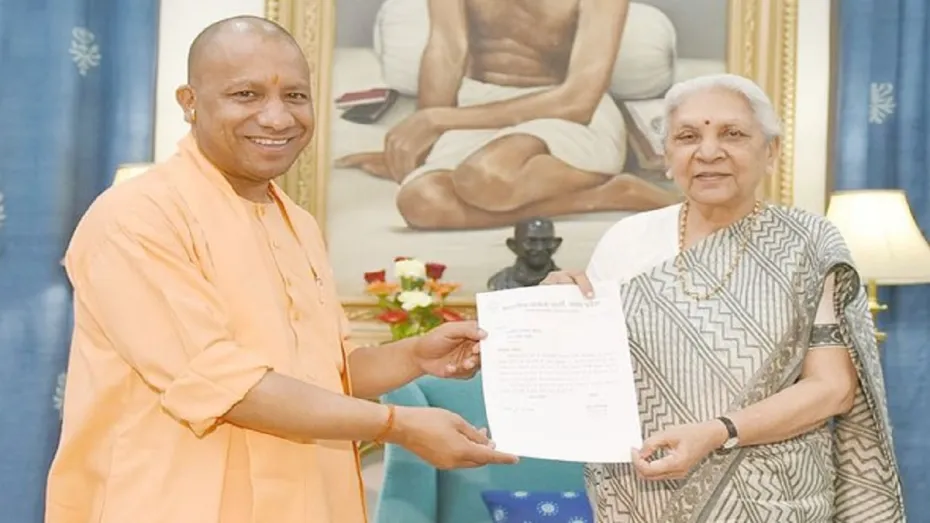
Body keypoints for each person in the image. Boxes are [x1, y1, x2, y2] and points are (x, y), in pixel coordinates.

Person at [45, 16, 517, 523]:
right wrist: (397, 425)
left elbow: (326, 375)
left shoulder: (297, 224)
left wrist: (414, 355)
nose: (277, 118)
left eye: (295, 96)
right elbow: (227, 387)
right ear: (189, 101)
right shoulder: (137, 217)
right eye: (246, 95)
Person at [543, 73, 906, 522]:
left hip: (771, 501)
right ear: (667, 155)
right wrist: (551, 315)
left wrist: (718, 432)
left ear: (770, 151)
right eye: (687, 136)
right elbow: (588, 376)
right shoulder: (626, 240)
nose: (708, 152)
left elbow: (832, 389)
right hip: (639, 496)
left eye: (732, 134)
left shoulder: (806, 244)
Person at [336, 0, 680, 230]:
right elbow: (447, 51)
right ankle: (607, 196)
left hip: (565, 112)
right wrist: (422, 134)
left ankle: (616, 189)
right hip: (477, 106)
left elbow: (577, 100)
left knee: (486, 176)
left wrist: (438, 120)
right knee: (420, 202)